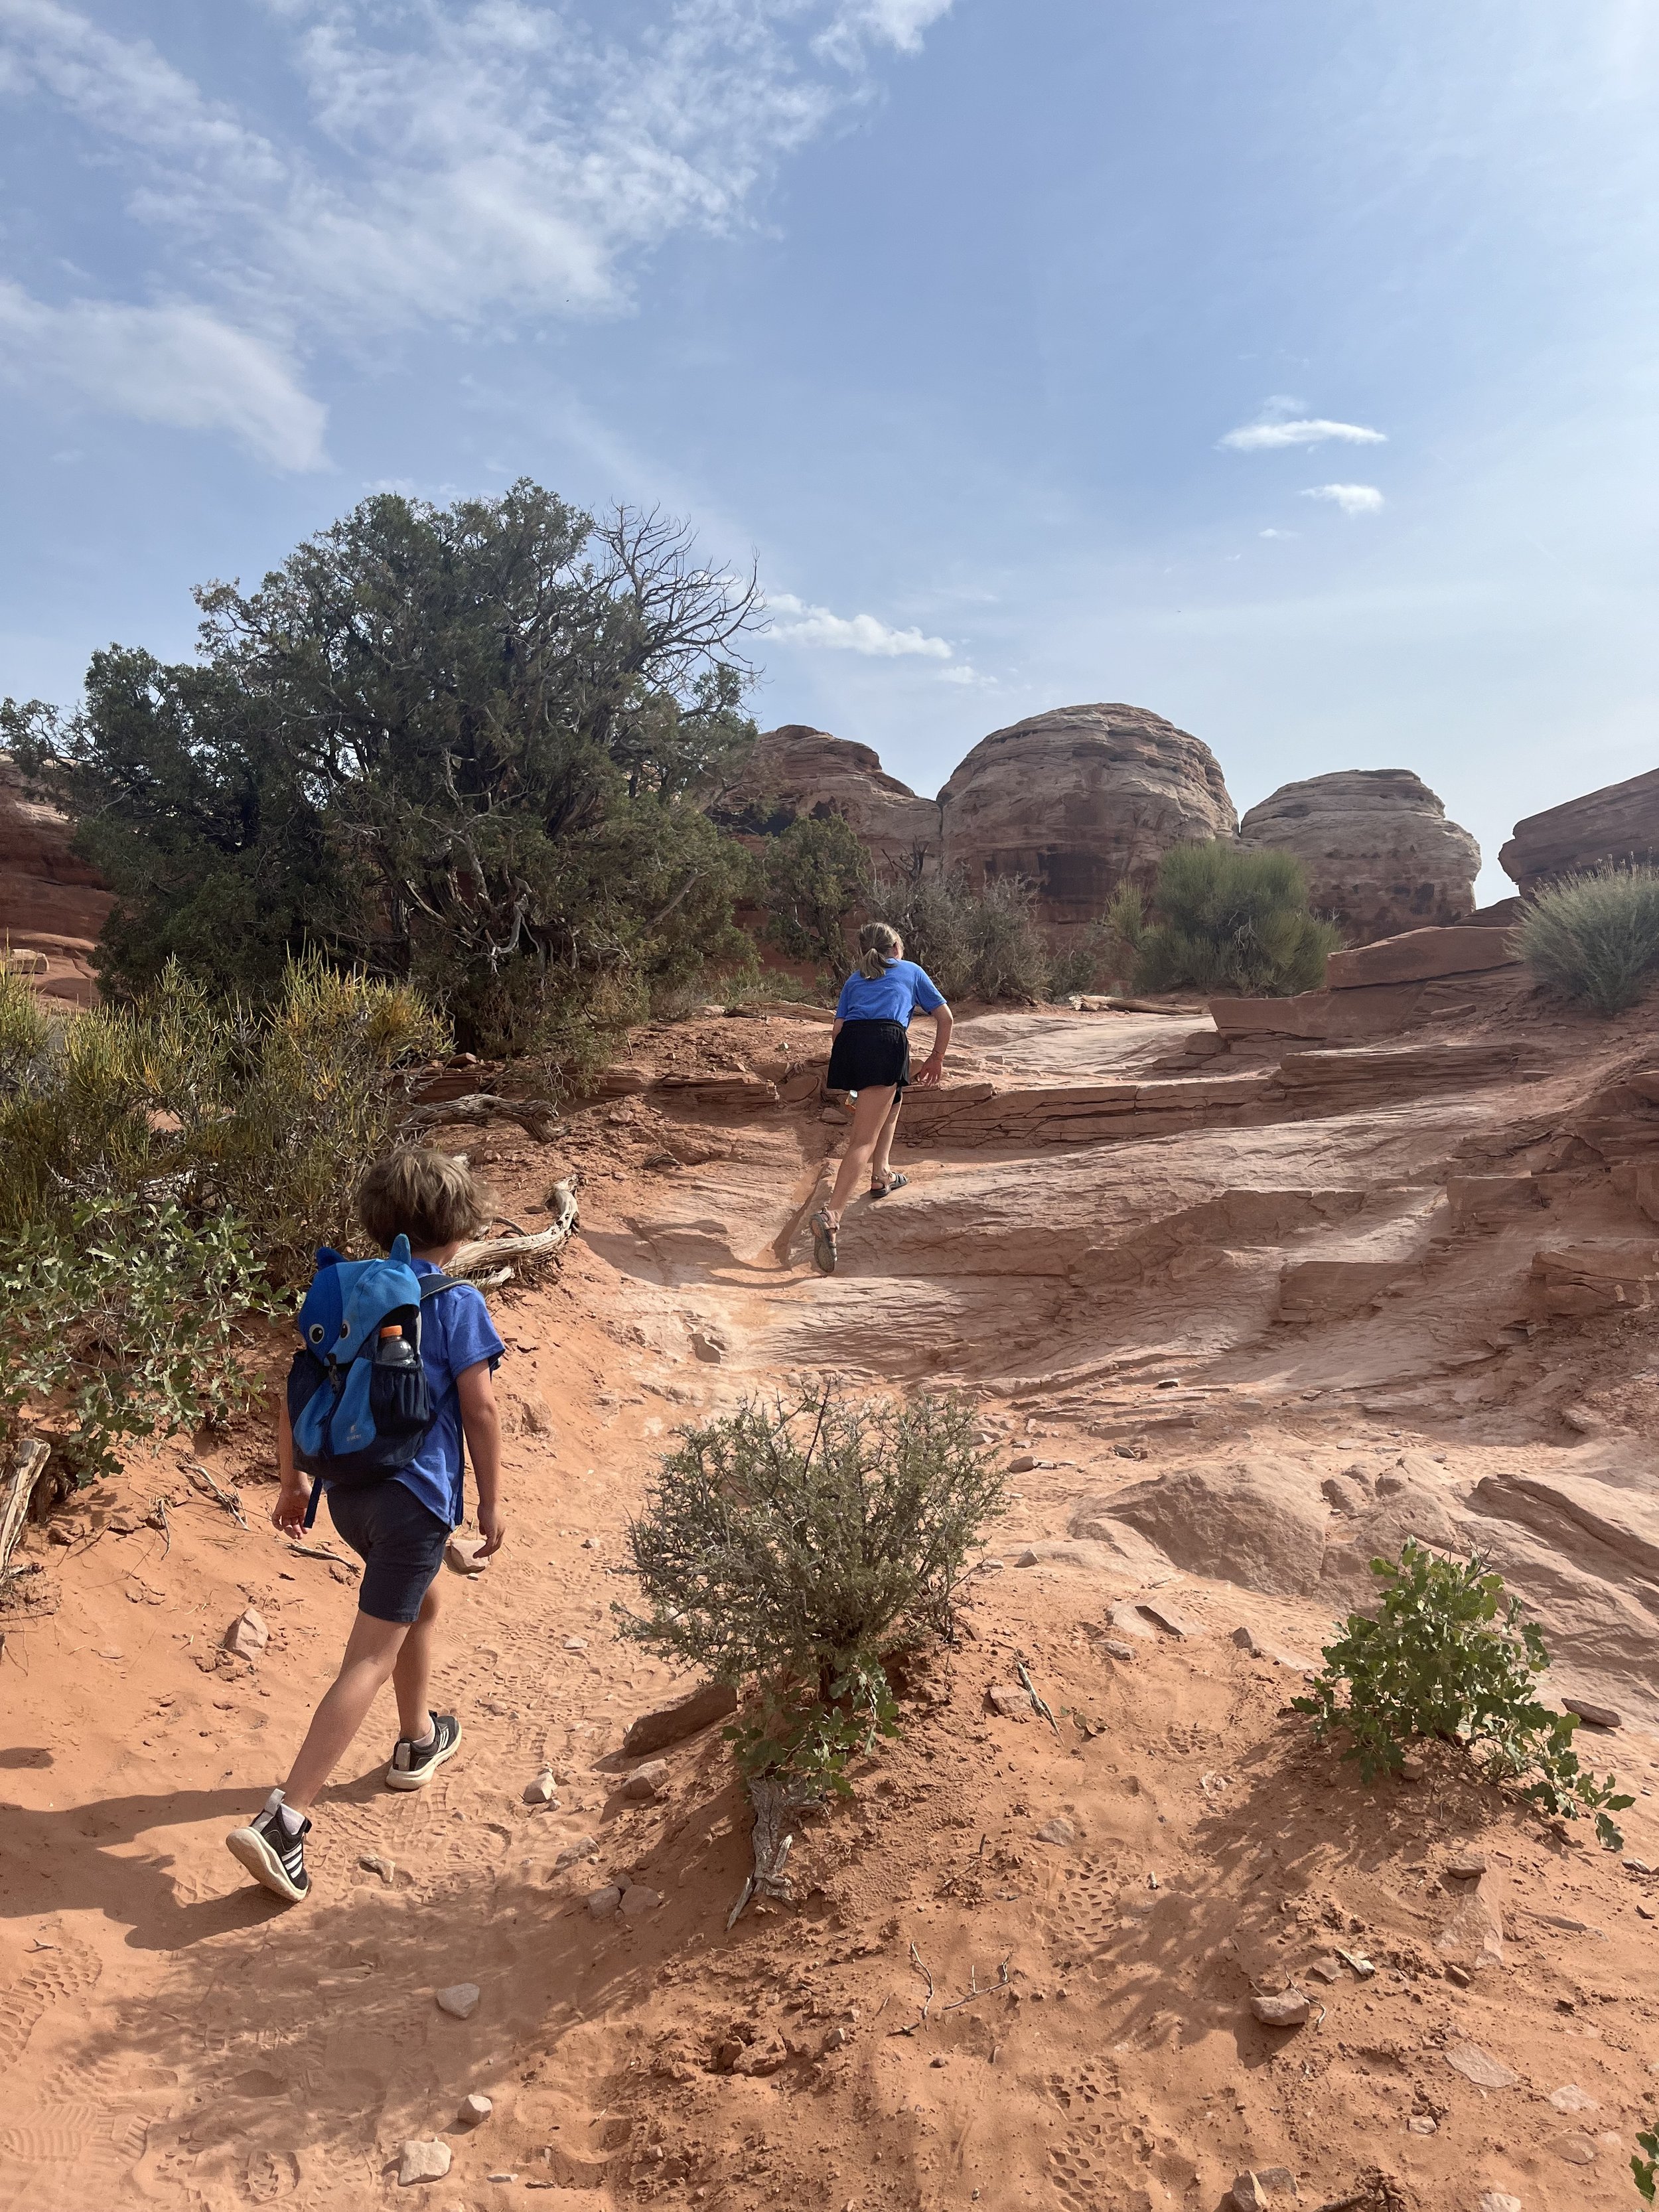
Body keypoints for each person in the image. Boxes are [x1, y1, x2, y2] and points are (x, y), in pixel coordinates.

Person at [225, 1148, 506, 1903]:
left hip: (347, 1494)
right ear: (461, 1223)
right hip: (414, 1504)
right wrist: (490, 1503)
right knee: (367, 1657)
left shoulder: (350, 1290)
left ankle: (418, 1741)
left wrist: (291, 1481)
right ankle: (285, 1824)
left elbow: (295, 1391)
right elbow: (479, 1411)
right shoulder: (457, 1302)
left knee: (425, 1602)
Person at [809, 922, 952, 1275]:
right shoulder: (911, 971)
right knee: (862, 1138)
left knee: (892, 1099)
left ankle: (881, 1174)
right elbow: (945, 1017)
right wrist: (936, 1058)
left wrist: (856, 1076)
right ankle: (832, 1216)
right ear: (897, 948)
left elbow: (838, 1030)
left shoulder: (855, 978)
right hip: (885, 1043)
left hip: (850, 1047)